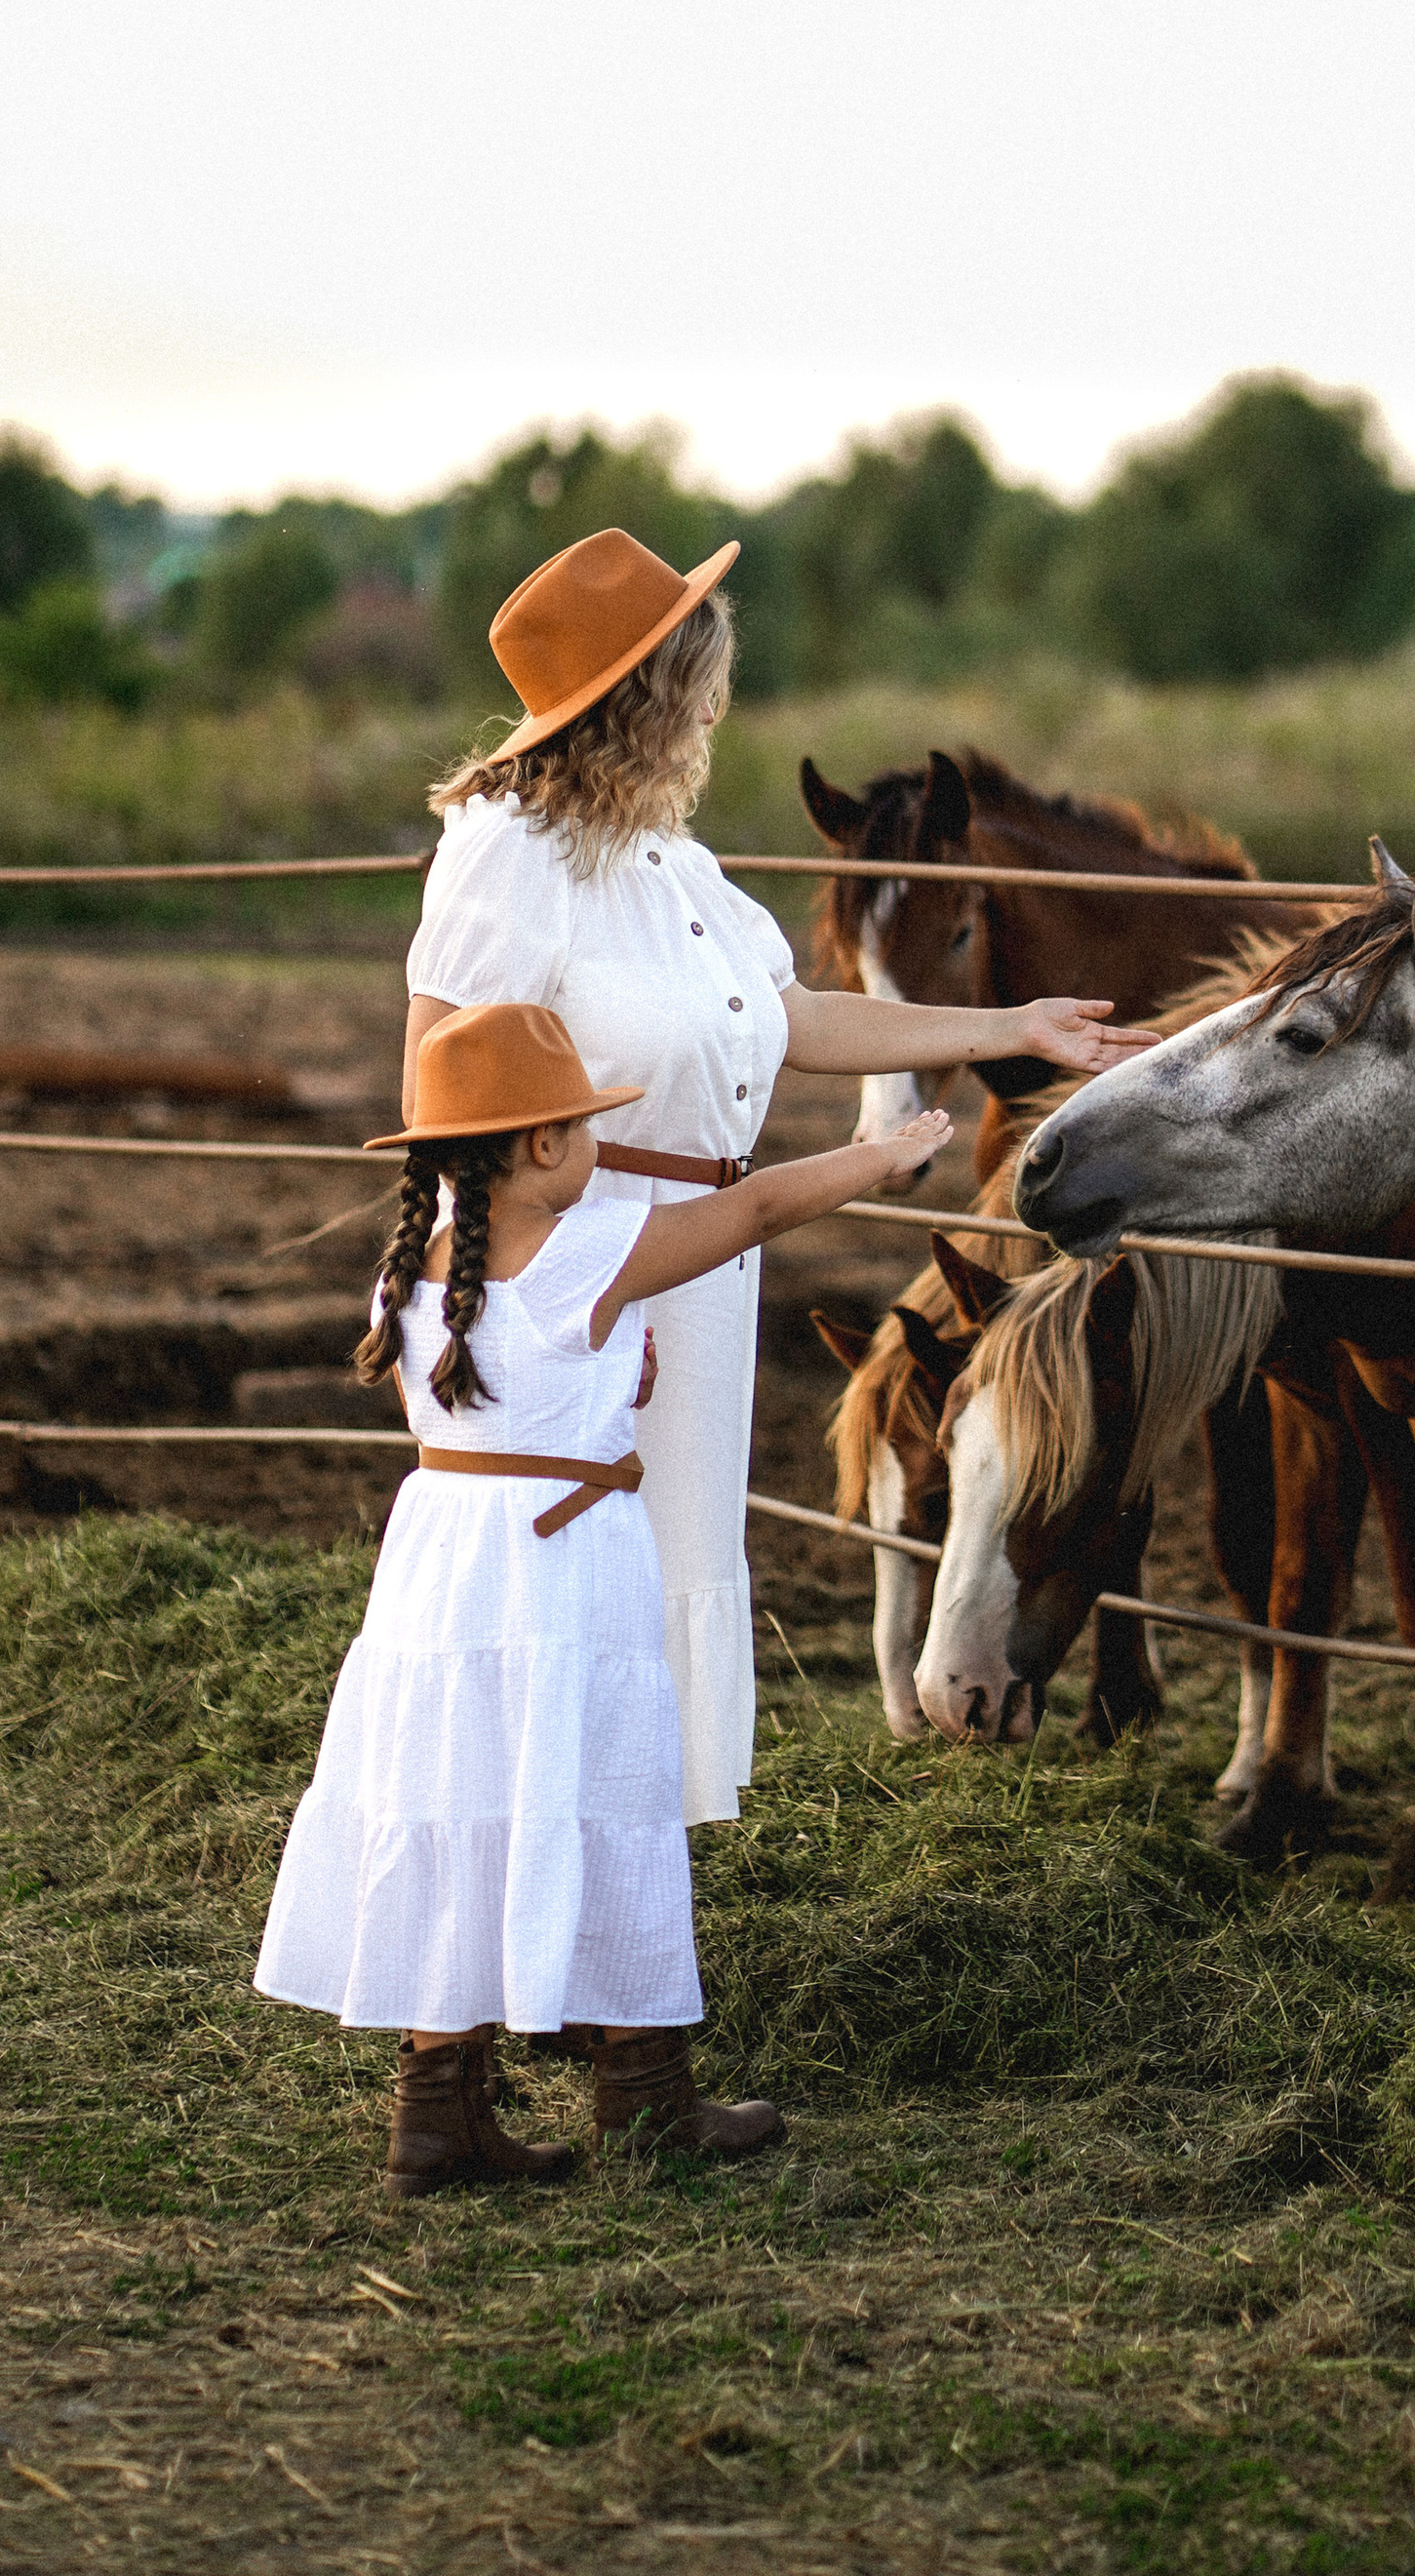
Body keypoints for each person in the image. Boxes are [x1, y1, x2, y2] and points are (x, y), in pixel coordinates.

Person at [400, 524, 1153, 1831]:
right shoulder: (503, 856)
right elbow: (442, 1085)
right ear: (642, 699)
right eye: (697, 678)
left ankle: (625, 1905)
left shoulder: (674, 869)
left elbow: (790, 1018)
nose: (712, 705)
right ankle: (524, 1900)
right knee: (566, 1569)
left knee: (674, 1555)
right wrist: (517, 1291)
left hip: (698, 1268)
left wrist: (1007, 1029)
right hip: (580, 1257)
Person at [254, 995, 952, 2194]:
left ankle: (437, 2112)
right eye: (582, 1128)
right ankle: (642, 2097)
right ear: (539, 1146)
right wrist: (882, 1156)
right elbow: (752, 1209)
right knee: (610, 1791)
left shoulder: (409, 1270)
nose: (596, 1148)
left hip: (442, 1568)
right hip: (562, 1564)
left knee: (460, 1806)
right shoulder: (585, 1252)